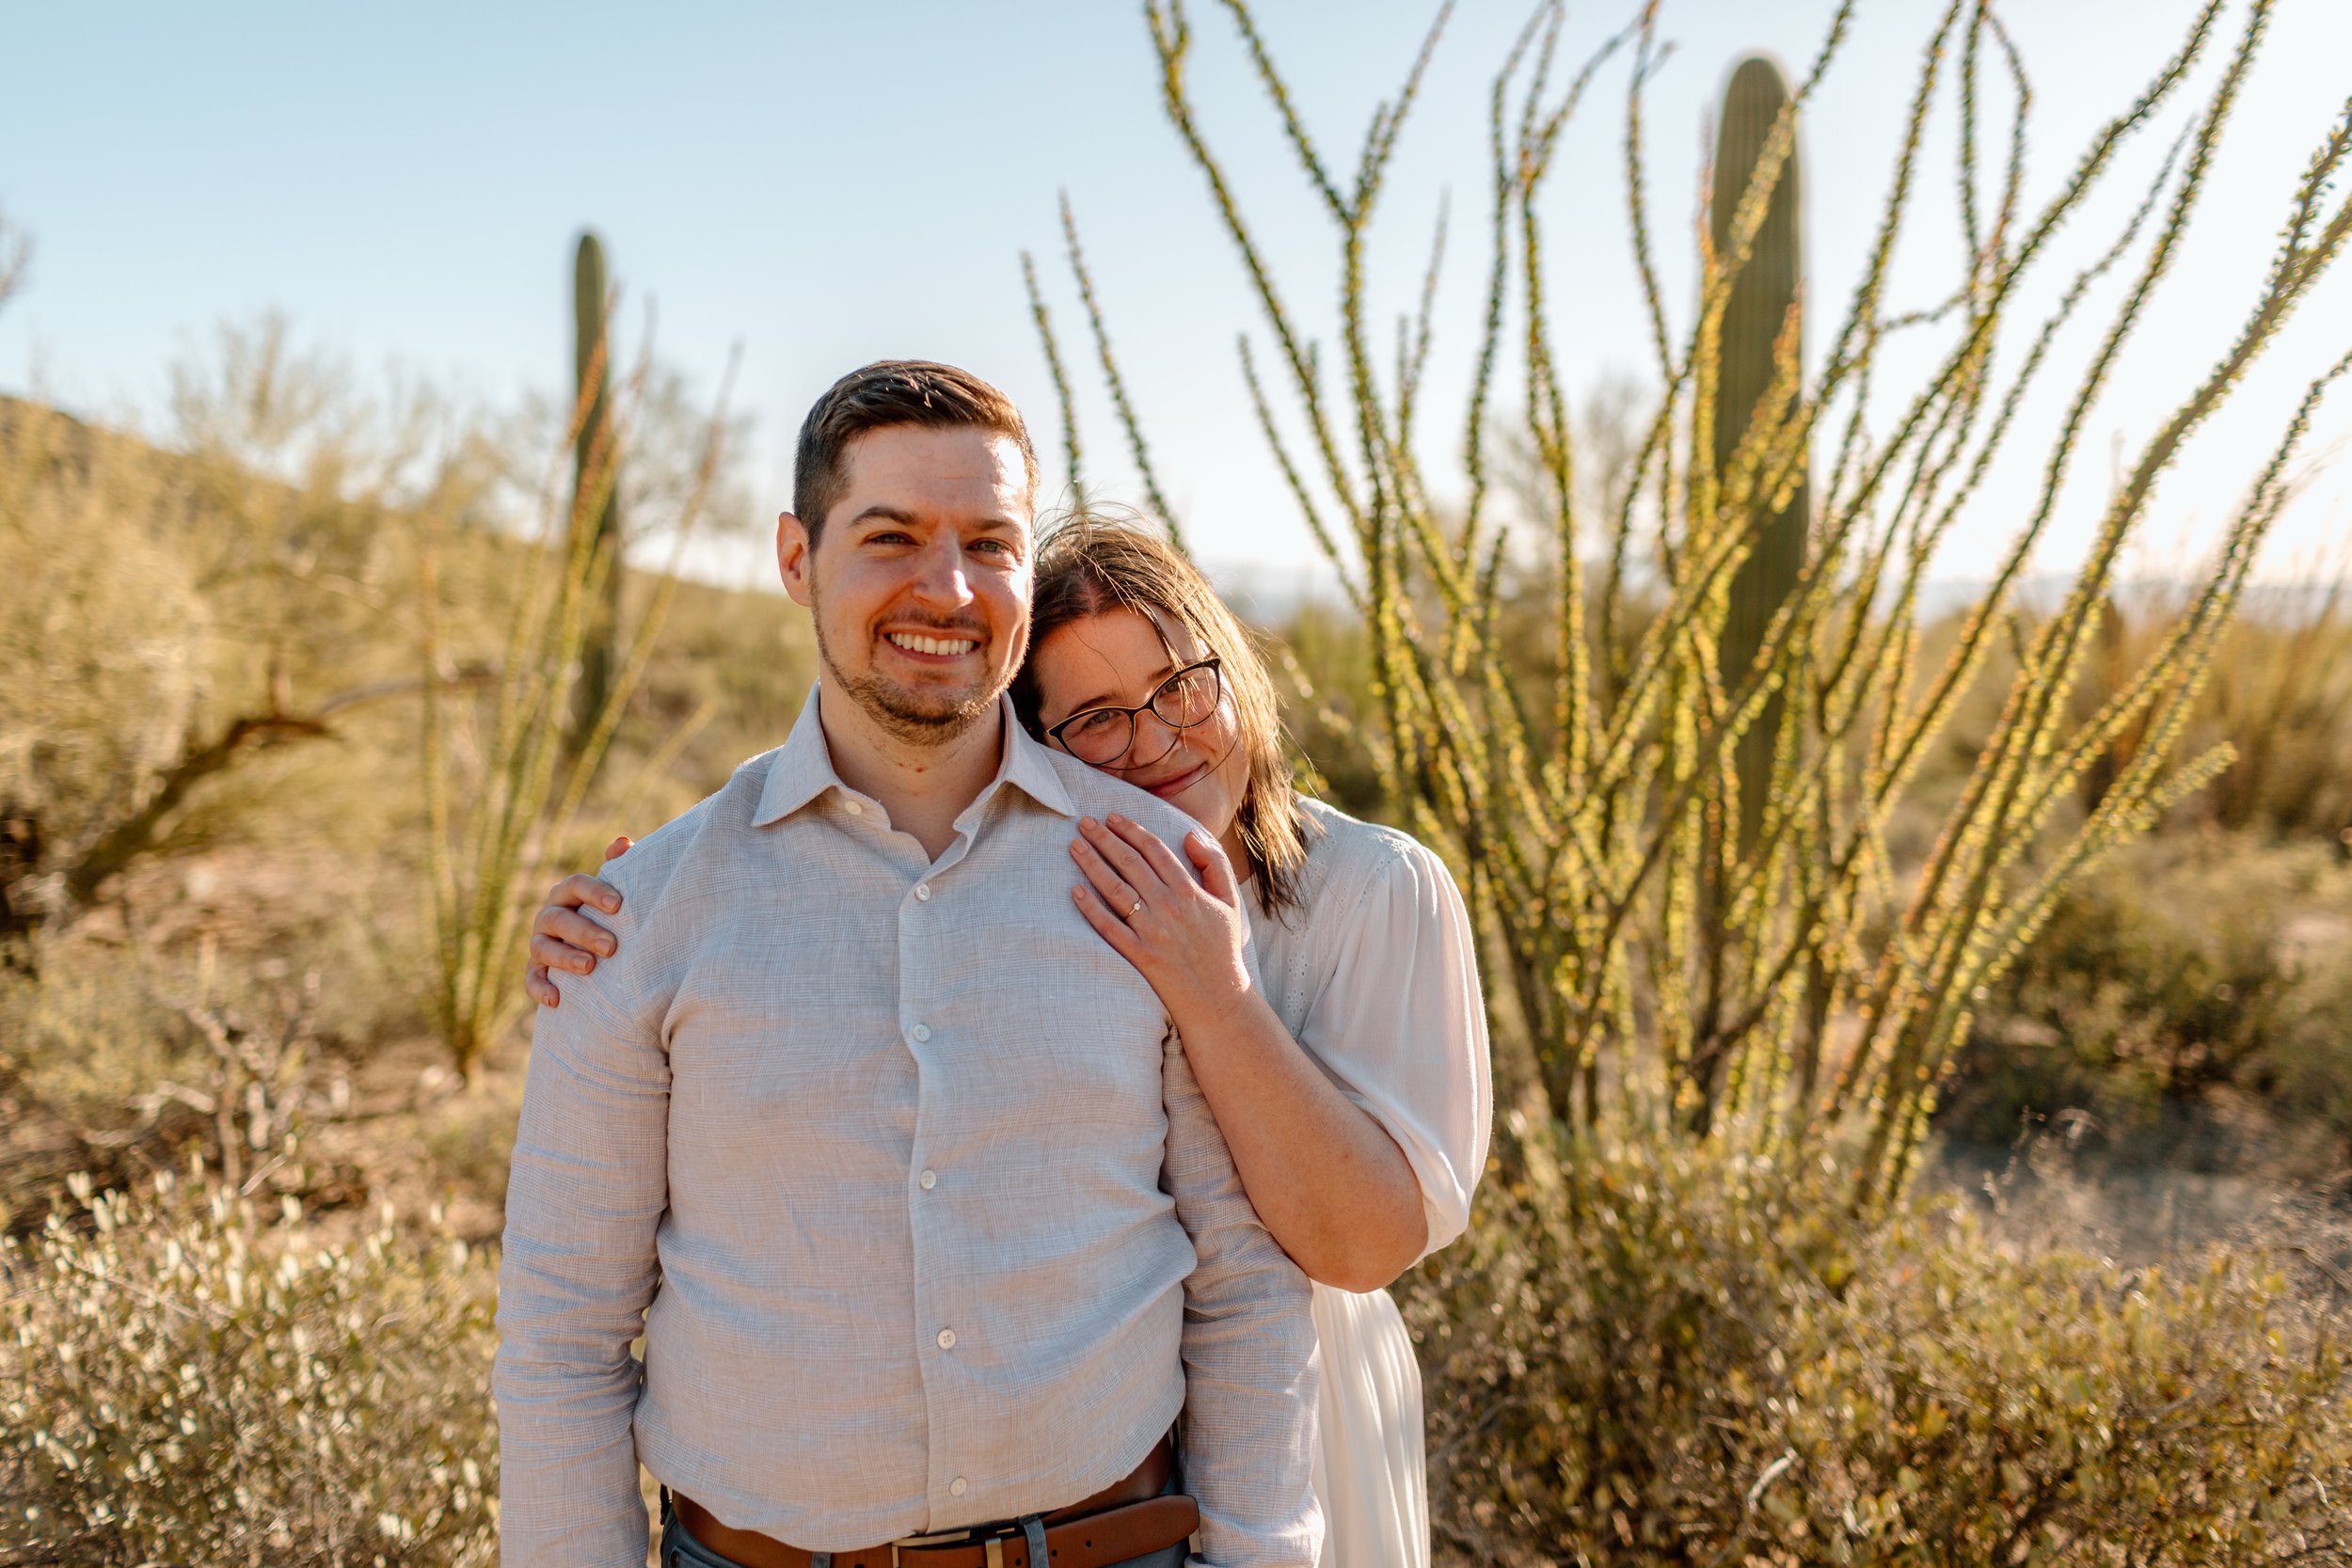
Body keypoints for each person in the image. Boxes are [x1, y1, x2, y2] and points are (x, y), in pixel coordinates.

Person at [529, 515, 1493, 1568]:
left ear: (1234, 669)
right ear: (1032, 744)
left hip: (1302, 1416)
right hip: (1101, 1450)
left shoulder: (1375, 888)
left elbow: (1363, 1244)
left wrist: (1211, 993)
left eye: (1179, 685)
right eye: (1095, 717)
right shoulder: (1043, 891)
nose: (1156, 739)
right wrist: (643, 902)